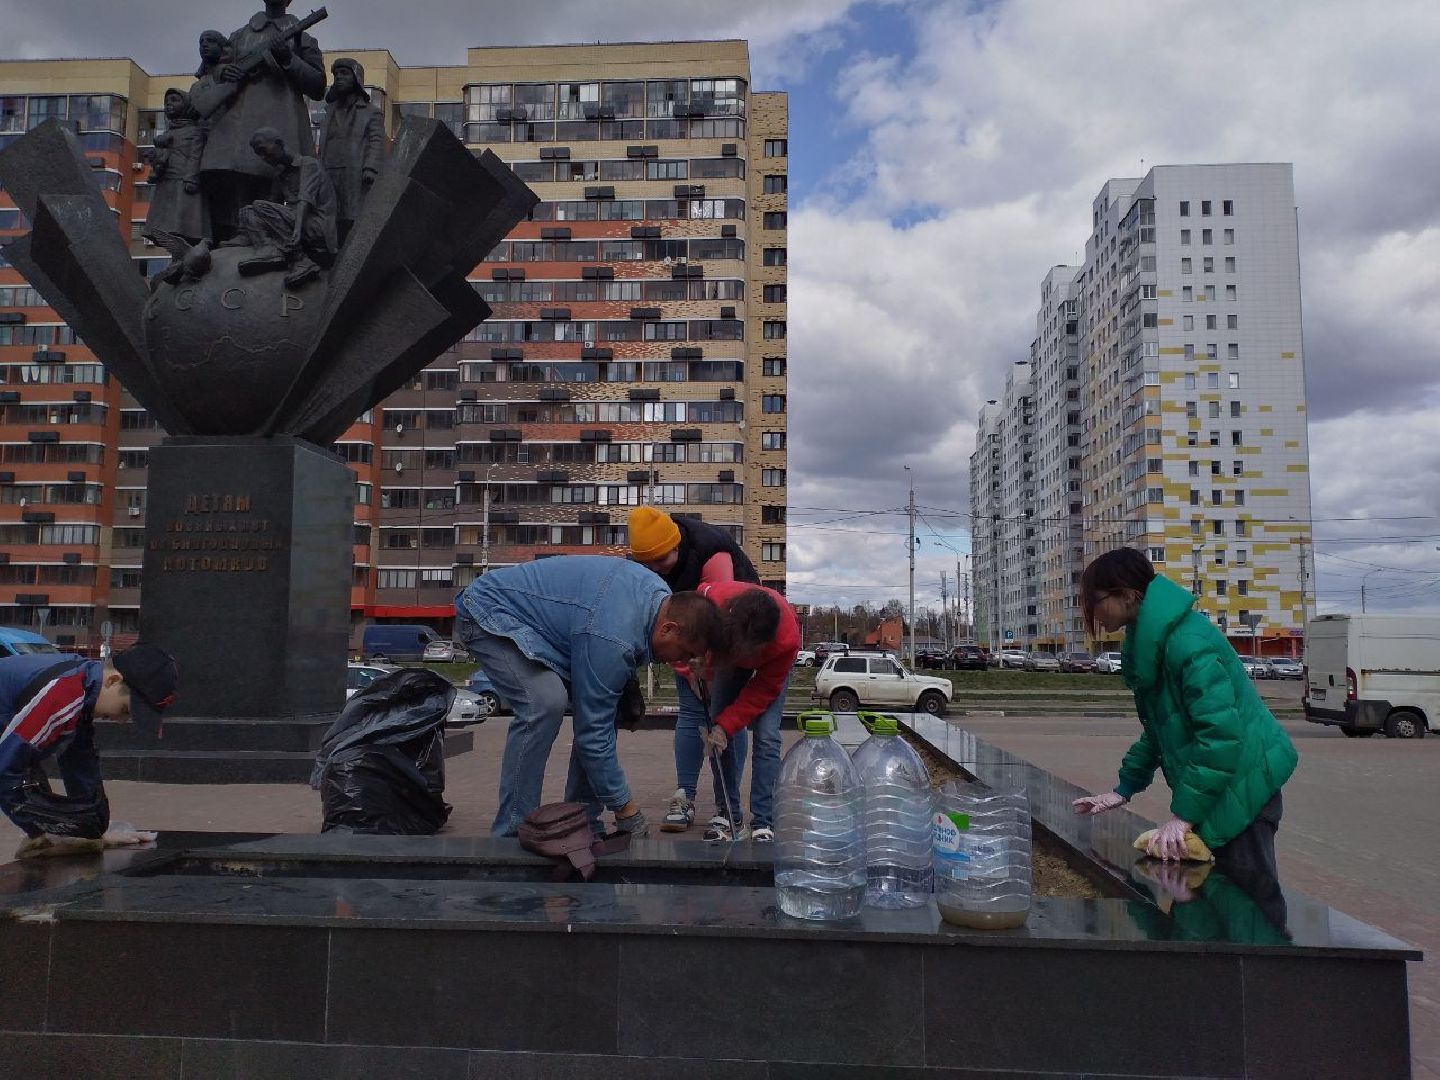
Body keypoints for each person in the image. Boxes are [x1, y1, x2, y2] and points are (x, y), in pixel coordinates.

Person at [454, 555, 723, 838]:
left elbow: (598, 722)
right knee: (544, 703)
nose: (682, 661)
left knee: (607, 712)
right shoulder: (613, 637)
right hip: (487, 611)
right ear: (668, 629)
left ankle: (581, 822)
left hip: (553, 626)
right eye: (686, 652)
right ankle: (511, 832)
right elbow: (593, 734)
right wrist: (625, 808)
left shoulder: (659, 600)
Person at [1071, 548, 1297, 879]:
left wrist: (1183, 816)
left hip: (1244, 784)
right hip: (1220, 784)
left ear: (1129, 595)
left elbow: (1219, 736)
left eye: (1096, 600)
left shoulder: (1188, 643)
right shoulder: (1153, 641)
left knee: (1250, 907)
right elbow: (1162, 728)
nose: (1091, 613)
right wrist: (1123, 789)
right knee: (1218, 907)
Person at [625, 507, 766, 835]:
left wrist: (706, 670)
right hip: (682, 634)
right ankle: (684, 796)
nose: (655, 570)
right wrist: (686, 671)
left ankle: (727, 807)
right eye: (648, 564)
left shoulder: (711, 553)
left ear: (676, 545)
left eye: (662, 561)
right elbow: (666, 625)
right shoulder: (646, 563)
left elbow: (715, 622)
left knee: (726, 716)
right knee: (691, 713)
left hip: (733, 632)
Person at [0, 643, 178, 854]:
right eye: (125, 709)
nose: (121, 721)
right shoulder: (65, 693)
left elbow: (80, 765)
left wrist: (94, 830)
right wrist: (44, 833)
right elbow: (5, 771)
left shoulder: (83, 688)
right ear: (113, 680)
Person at [199, 0, 326, 239]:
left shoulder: (302, 38)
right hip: (242, 116)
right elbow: (212, 68)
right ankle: (244, 230)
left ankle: (271, 230)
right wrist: (224, 72)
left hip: (283, 115)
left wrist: (288, 57)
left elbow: (318, 86)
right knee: (243, 174)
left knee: (278, 173)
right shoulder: (240, 36)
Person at [685, 581, 800, 843]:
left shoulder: (786, 641)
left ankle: (763, 820)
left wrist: (727, 726)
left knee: (767, 736)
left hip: (771, 662)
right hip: (729, 656)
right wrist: (696, 660)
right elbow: (688, 623)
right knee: (715, 730)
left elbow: (762, 692)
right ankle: (727, 813)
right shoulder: (711, 600)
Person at [226, 126, 338, 287]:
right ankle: (268, 249)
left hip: (316, 226)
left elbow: (304, 200)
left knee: (259, 206)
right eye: (259, 154)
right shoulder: (279, 174)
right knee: (248, 210)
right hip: (295, 222)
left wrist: (297, 230)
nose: (264, 157)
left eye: (264, 150)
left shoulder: (309, 165)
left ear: (278, 143)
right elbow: (273, 204)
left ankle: (300, 260)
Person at [320, 58, 386, 245]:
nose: (339, 77)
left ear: (356, 79)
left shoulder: (371, 112)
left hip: (355, 172)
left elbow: (376, 141)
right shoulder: (329, 111)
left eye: (344, 73)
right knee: (329, 218)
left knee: (352, 218)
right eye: (336, 74)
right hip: (328, 171)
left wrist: (371, 168)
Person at [141, 88, 209, 244]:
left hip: (184, 183)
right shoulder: (167, 134)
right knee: (167, 226)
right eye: (166, 102)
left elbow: (195, 156)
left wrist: (191, 178)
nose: (168, 104)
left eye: (174, 100)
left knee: (185, 226)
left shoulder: (195, 131)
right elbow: (163, 156)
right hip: (167, 182)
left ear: (186, 105)